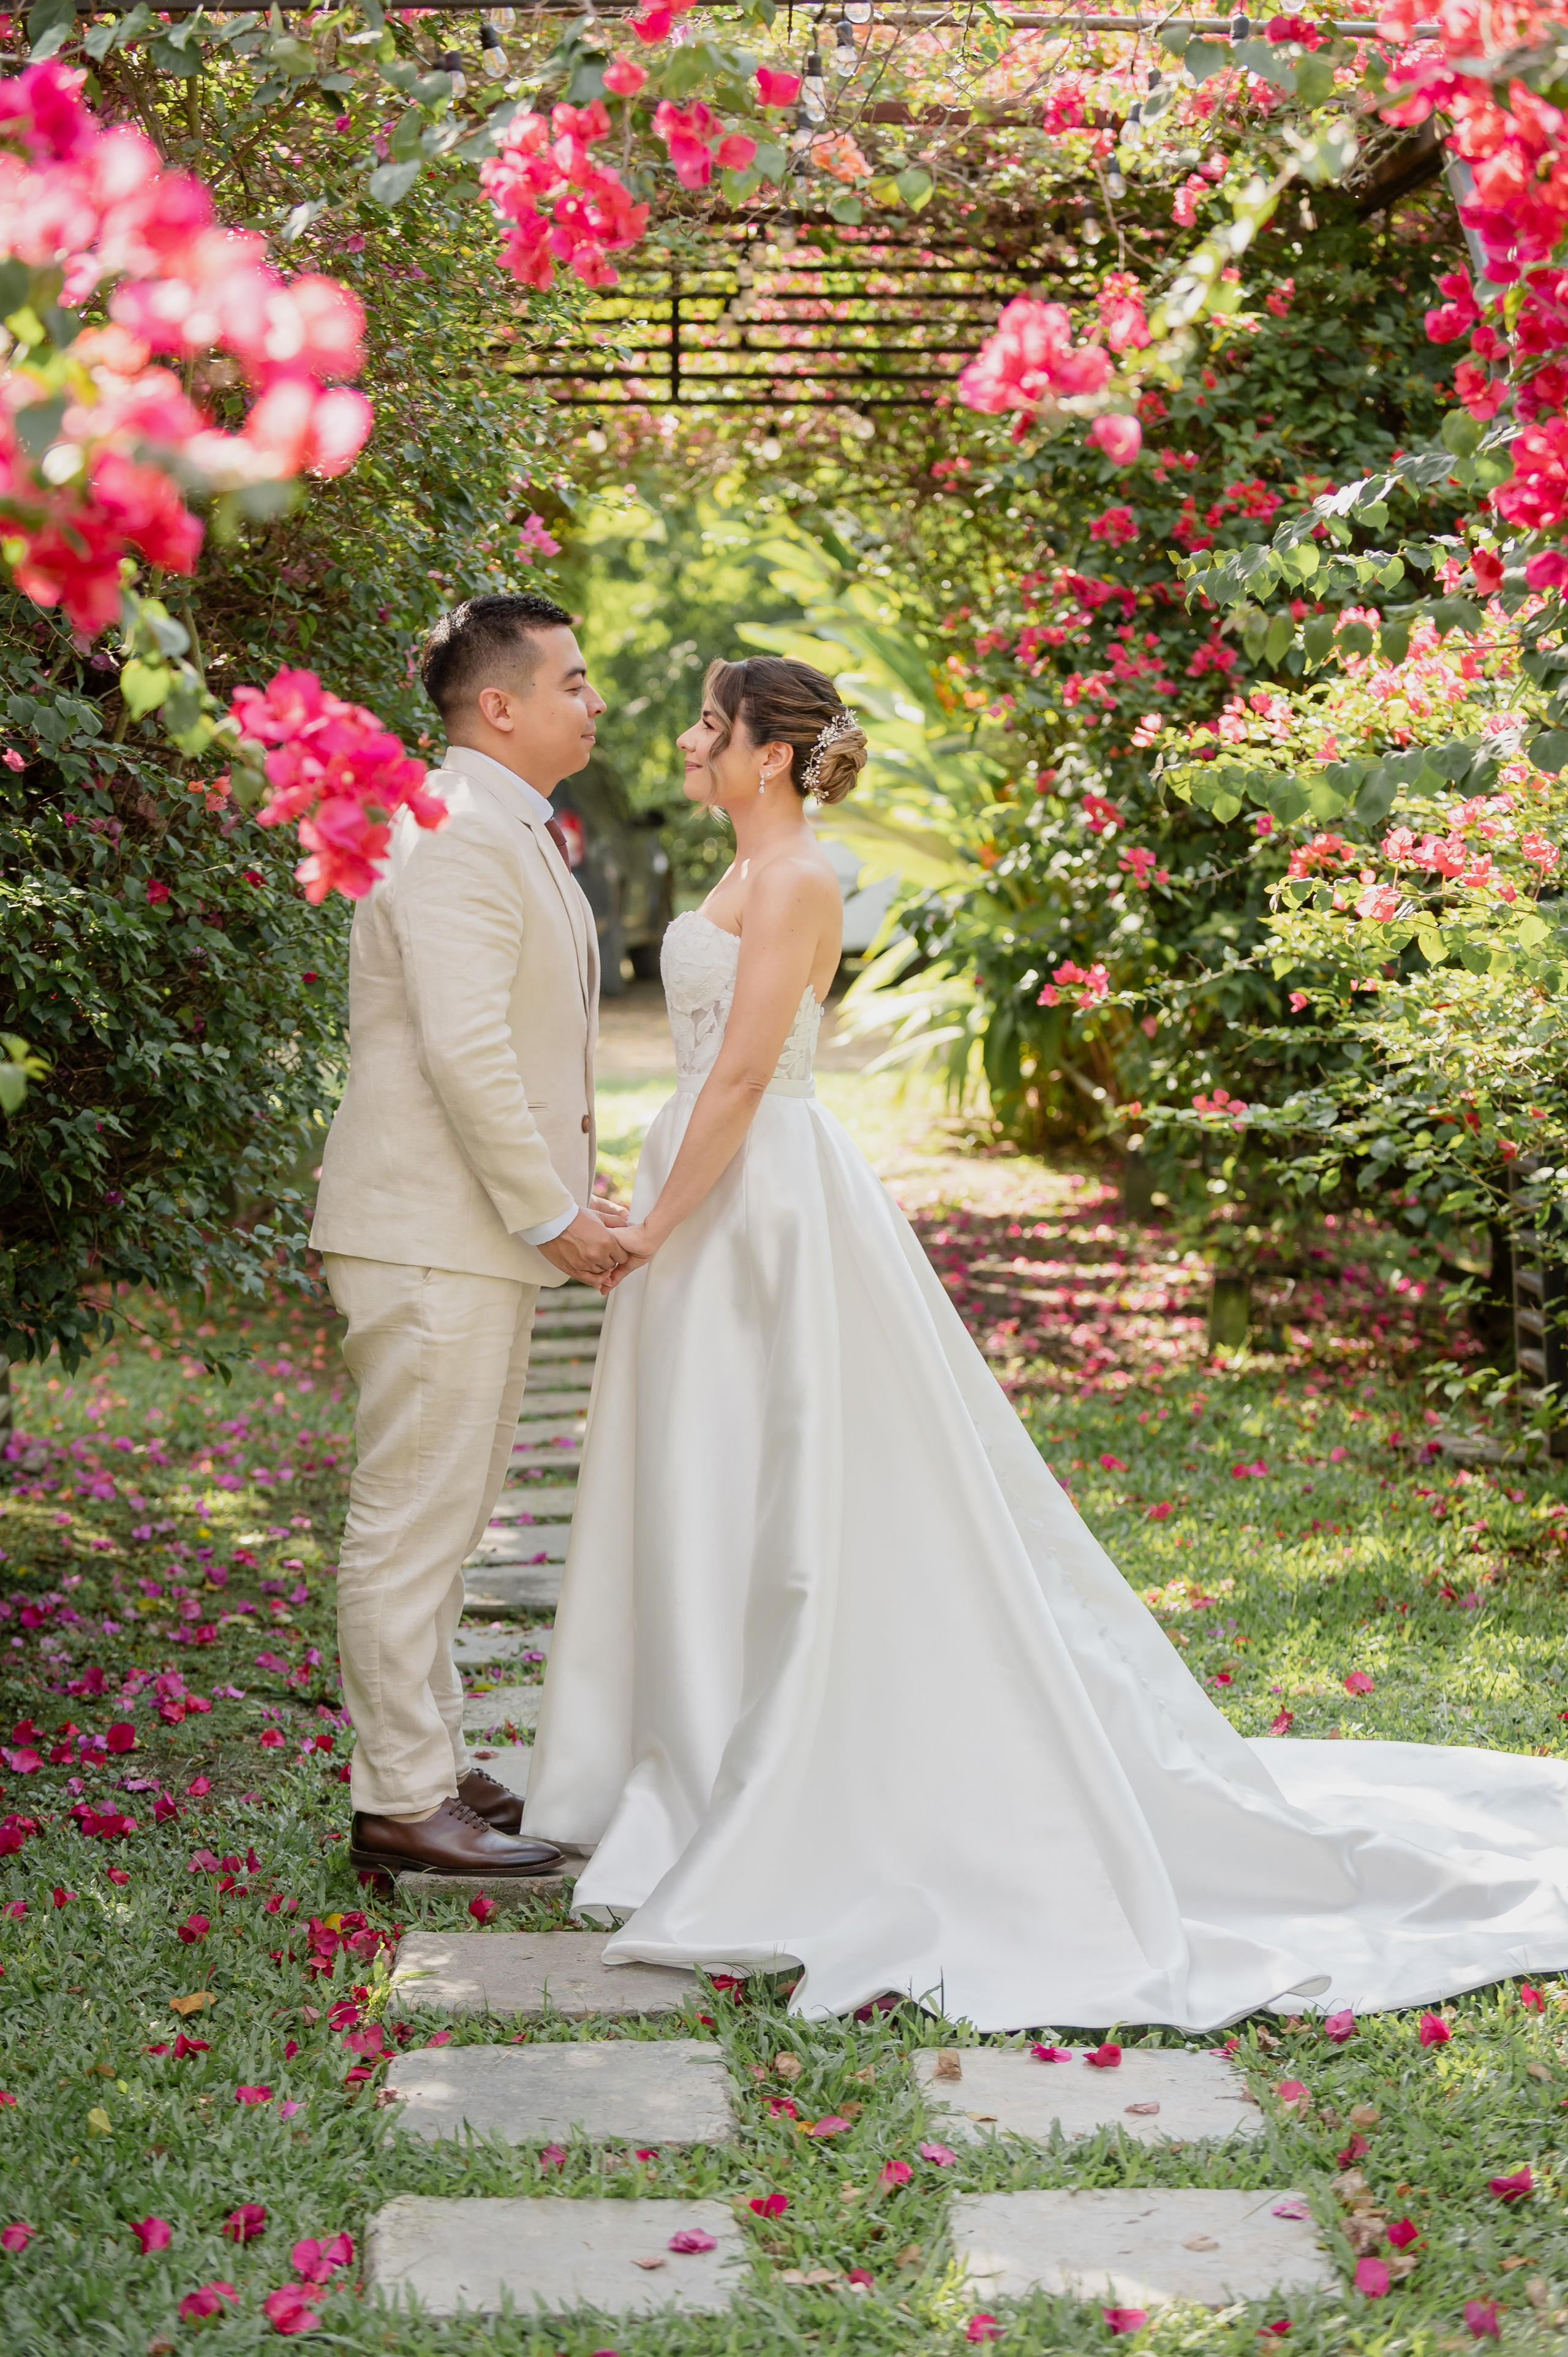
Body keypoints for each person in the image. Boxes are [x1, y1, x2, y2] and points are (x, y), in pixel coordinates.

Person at [524, 651, 1568, 2034]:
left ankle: (782, 1768)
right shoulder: (739, 871)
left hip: (762, 1198)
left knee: (790, 1473)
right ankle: (694, 1744)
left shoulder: (799, 880)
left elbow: (743, 1072)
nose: (687, 743)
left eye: (709, 725)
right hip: (706, 1182)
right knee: (700, 1469)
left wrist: (653, 1225)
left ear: (768, 752)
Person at [312, 592, 629, 1880]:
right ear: (499, 705)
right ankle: (399, 1800)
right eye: (574, 680)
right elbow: (465, 1049)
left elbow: (523, 1044)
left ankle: (434, 1762)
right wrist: (552, 1214)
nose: (594, 701)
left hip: (466, 1230)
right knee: (410, 1520)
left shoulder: (507, 823)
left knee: (447, 1519)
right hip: (428, 1229)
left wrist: (573, 1189)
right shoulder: (450, 826)